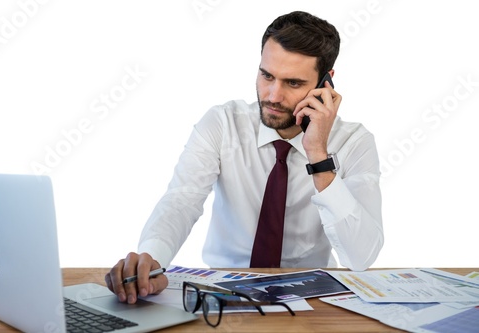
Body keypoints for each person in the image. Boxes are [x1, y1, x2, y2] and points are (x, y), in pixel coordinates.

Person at [105, 11, 384, 304]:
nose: (273, 95)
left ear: (326, 84)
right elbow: (181, 201)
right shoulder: (223, 124)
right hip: (223, 294)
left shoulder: (355, 143)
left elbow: (360, 257)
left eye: (293, 83)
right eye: (267, 75)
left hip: (310, 301)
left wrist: (318, 156)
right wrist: (152, 259)